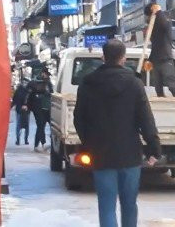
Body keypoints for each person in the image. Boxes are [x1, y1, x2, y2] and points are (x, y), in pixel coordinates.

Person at [73, 39, 161, 227]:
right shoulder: (134, 83)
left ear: (103, 57)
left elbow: (79, 118)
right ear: (124, 58)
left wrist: (89, 143)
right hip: (130, 154)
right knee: (129, 204)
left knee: (106, 205)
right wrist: (154, 148)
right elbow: (145, 118)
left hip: (101, 154)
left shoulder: (88, 83)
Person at [144, 3, 175, 97]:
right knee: (157, 87)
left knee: (171, 86)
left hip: (165, 58)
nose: (148, 19)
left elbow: (165, 25)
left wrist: (158, 11)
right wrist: (150, 60)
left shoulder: (163, 21)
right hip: (156, 60)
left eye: (149, 15)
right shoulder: (153, 26)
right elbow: (155, 46)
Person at [25, 68, 53, 151]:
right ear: (43, 73)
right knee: (40, 125)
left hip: (47, 108)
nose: (47, 76)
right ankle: (41, 144)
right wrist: (26, 104)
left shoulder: (48, 83)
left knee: (45, 126)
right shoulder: (35, 83)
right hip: (39, 108)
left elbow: (51, 93)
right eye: (46, 74)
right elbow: (28, 95)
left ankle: (38, 145)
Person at [10, 77, 30, 146]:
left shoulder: (27, 91)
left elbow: (30, 100)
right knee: (20, 125)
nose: (25, 84)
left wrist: (27, 106)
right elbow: (15, 100)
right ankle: (19, 140)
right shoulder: (21, 90)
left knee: (24, 125)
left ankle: (24, 139)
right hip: (20, 110)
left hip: (24, 110)